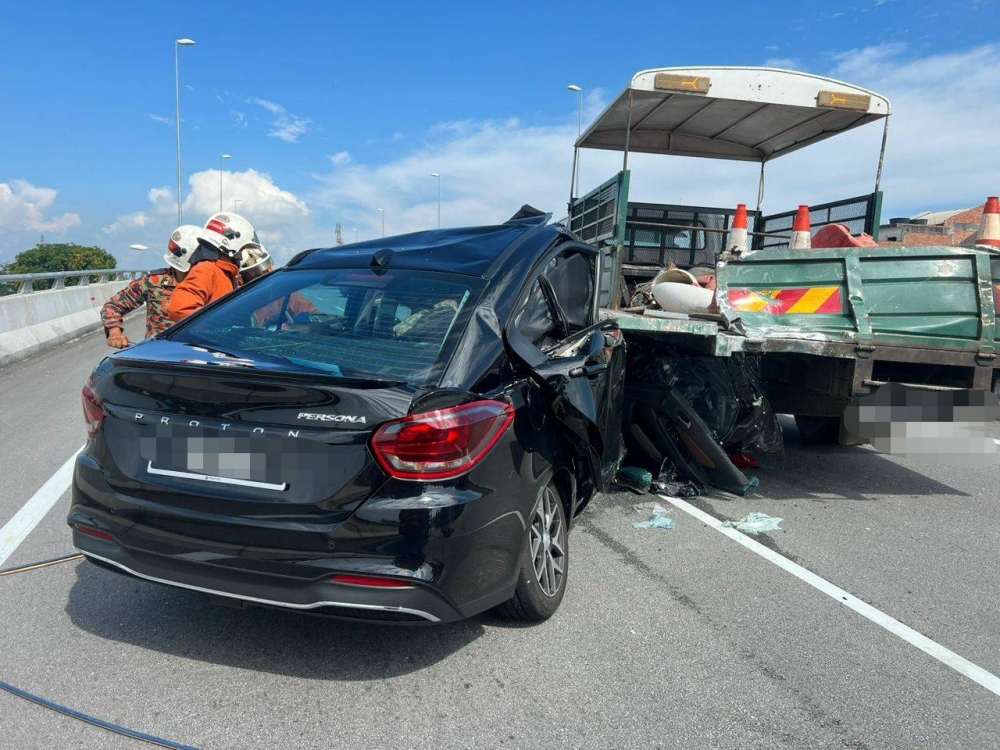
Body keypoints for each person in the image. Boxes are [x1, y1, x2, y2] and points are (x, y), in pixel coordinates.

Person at [101, 225, 199, 348]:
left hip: (198, 355)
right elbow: (112, 306)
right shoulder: (153, 282)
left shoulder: (214, 284)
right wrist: (115, 332)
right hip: (157, 355)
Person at [167, 213, 259, 323]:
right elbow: (179, 309)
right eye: (241, 249)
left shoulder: (224, 273)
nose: (241, 255)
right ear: (230, 245)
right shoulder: (206, 269)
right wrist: (213, 327)